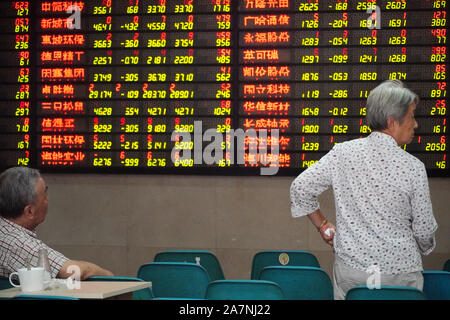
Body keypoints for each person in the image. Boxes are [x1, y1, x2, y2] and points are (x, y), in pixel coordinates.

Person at [290, 80, 438, 300]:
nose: (415, 124)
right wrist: (423, 247)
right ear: (392, 122)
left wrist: (323, 226)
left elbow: (300, 188)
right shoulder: (413, 167)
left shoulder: (342, 153)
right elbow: (424, 231)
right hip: (399, 275)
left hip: (352, 271)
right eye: (411, 116)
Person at [0, 166, 114, 280]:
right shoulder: (14, 241)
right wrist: (109, 276)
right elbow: (73, 271)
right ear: (30, 211)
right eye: (45, 194)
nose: (48, 199)